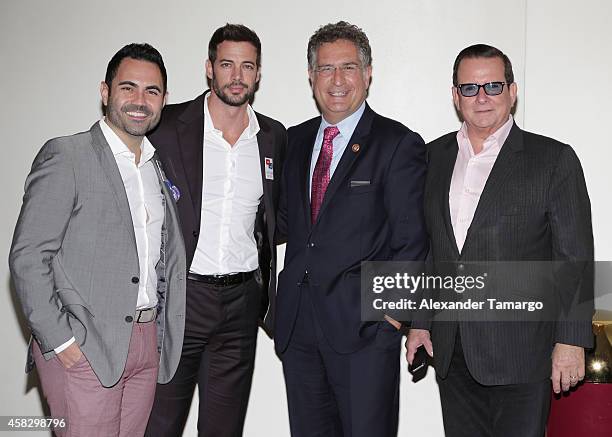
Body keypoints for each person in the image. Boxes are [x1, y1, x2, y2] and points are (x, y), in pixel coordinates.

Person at [406, 44, 594, 437]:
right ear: (455, 96)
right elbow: (430, 249)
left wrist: (572, 341)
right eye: (470, 88)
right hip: (452, 349)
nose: (482, 98)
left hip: (523, 352)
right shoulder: (432, 157)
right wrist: (420, 323)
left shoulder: (553, 159)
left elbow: (574, 258)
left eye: (493, 85)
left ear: (512, 91)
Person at [9, 43, 186, 437]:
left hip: (144, 343)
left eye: (152, 91)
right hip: (86, 345)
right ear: (105, 92)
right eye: (128, 88)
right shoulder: (67, 155)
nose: (140, 101)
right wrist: (62, 342)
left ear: (164, 100)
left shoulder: (156, 167)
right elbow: (27, 257)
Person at [275, 21, 428, 437]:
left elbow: (411, 239)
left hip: (364, 330)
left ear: (368, 73)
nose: (337, 80)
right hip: (298, 328)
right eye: (326, 69)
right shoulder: (294, 140)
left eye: (348, 67)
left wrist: (393, 318)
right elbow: (283, 224)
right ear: (311, 76)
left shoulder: (397, 143)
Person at [144, 24, 287, 437]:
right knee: (160, 425)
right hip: (181, 301)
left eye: (247, 66)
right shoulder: (167, 127)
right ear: (209, 69)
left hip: (241, 306)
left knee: (224, 430)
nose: (237, 75)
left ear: (258, 73)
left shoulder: (273, 137)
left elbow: (275, 219)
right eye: (227, 64)